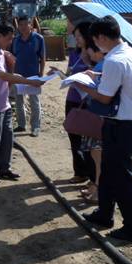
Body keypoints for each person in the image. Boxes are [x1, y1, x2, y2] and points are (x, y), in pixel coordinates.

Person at [75, 16, 132, 242]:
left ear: (102, 37)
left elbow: (105, 98)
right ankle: (104, 214)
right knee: (107, 171)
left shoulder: (115, 61)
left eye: (95, 41)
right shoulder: (131, 53)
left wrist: (80, 84)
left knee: (123, 178)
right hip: (125, 123)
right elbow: (118, 81)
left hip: (122, 126)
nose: (95, 45)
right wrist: (95, 75)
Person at [0, 23, 44, 185]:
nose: (10, 42)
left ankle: (4, 168)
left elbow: (8, 75)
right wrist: (27, 81)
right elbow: (3, 76)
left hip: (2, 102)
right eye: (8, 39)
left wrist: (18, 72)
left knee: (7, 138)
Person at [49, 22, 96, 184]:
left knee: (90, 140)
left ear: (87, 36)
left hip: (89, 102)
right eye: (74, 37)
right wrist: (58, 72)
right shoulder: (74, 54)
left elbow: (100, 77)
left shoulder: (95, 54)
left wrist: (89, 62)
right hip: (72, 100)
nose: (76, 40)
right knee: (74, 137)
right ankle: (80, 172)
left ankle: (93, 176)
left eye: (79, 36)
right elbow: (69, 76)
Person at [79, 41, 106, 204]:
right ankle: (95, 187)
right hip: (96, 113)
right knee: (96, 155)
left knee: (98, 156)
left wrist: (83, 85)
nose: (88, 53)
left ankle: (98, 191)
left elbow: (101, 93)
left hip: (99, 116)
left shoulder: (105, 65)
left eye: (89, 50)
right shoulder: (100, 65)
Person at [12, 16, 46, 136]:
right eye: (20, 25)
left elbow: (42, 58)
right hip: (18, 75)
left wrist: (41, 75)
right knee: (19, 101)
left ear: (31, 25)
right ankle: (21, 125)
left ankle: (35, 127)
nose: (23, 27)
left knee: (34, 102)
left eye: (25, 24)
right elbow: (12, 58)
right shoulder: (15, 40)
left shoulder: (38, 39)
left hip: (33, 76)